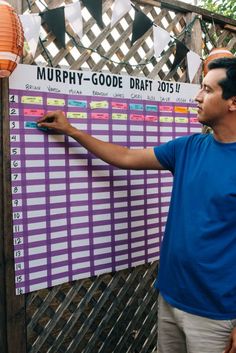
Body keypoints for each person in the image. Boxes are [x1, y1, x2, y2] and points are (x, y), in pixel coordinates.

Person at [37, 57, 236, 353]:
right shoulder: (187, 148)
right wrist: (73, 131)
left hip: (216, 315)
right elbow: (126, 157)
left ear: (232, 102)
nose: (197, 97)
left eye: (207, 90)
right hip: (170, 297)